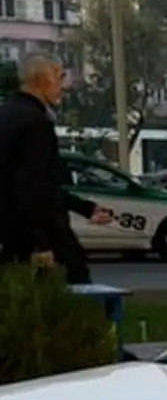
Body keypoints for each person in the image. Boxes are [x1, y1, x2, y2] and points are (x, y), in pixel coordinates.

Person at [0, 53, 112, 284]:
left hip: (9, 232)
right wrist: (39, 244)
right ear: (43, 79)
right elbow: (33, 187)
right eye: (60, 77)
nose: (63, 86)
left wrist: (85, 208)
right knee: (75, 291)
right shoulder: (35, 124)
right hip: (41, 235)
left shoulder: (6, 114)